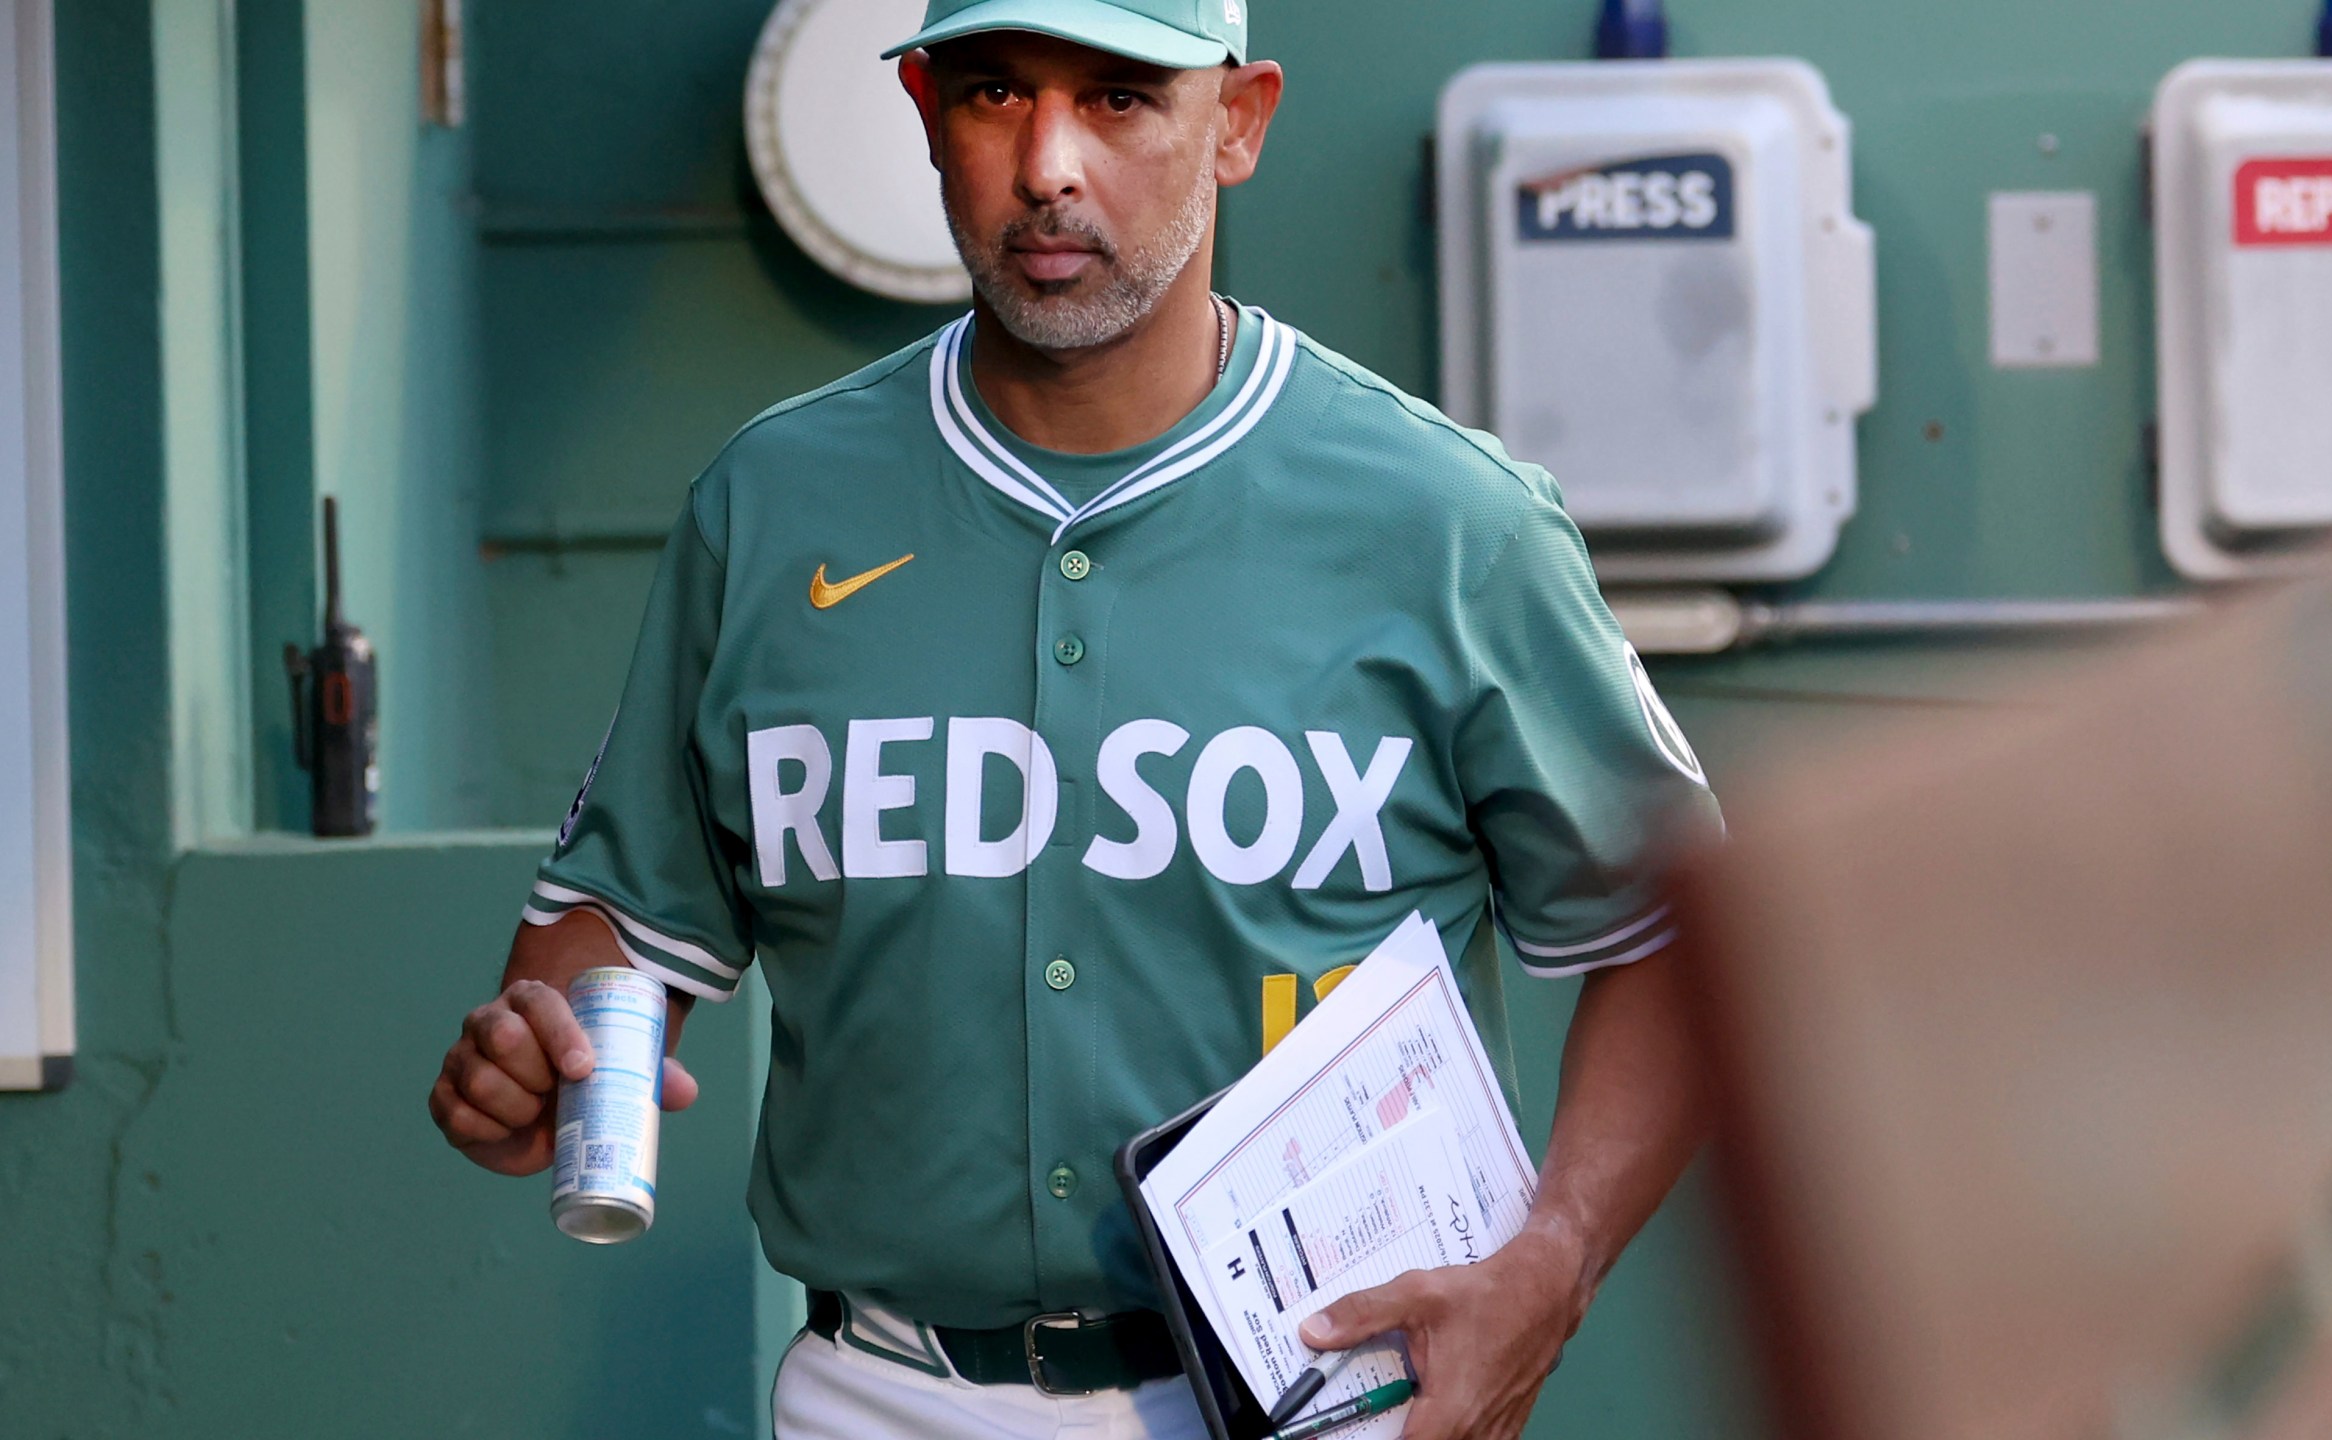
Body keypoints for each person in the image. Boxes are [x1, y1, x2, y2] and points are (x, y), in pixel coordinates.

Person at [427, 2, 1719, 1435]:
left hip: (1328, 1389)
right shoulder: (770, 504)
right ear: (923, 109)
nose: (1046, 162)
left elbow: (1686, 939)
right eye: (994, 92)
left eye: (1117, 97)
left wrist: (1556, 1258)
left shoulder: (1445, 518)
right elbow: (605, 938)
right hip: (887, 1390)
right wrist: (532, 1057)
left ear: (1236, 119)